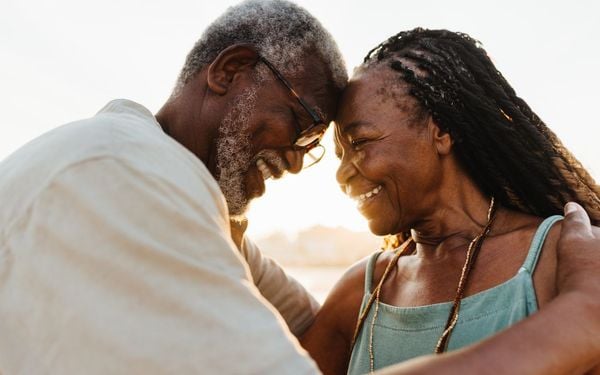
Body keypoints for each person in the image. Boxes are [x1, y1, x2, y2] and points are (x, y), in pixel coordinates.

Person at [0, 1, 347, 373]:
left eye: (311, 148)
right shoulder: (130, 174)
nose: (295, 163)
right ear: (230, 72)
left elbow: (319, 326)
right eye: (301, 124)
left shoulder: (178, 192)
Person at [300, 28, 600, 374]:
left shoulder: (565, 259)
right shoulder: (361, 292)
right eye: (340, 154)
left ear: (441, 130)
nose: (342, 174)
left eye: (361, 142)